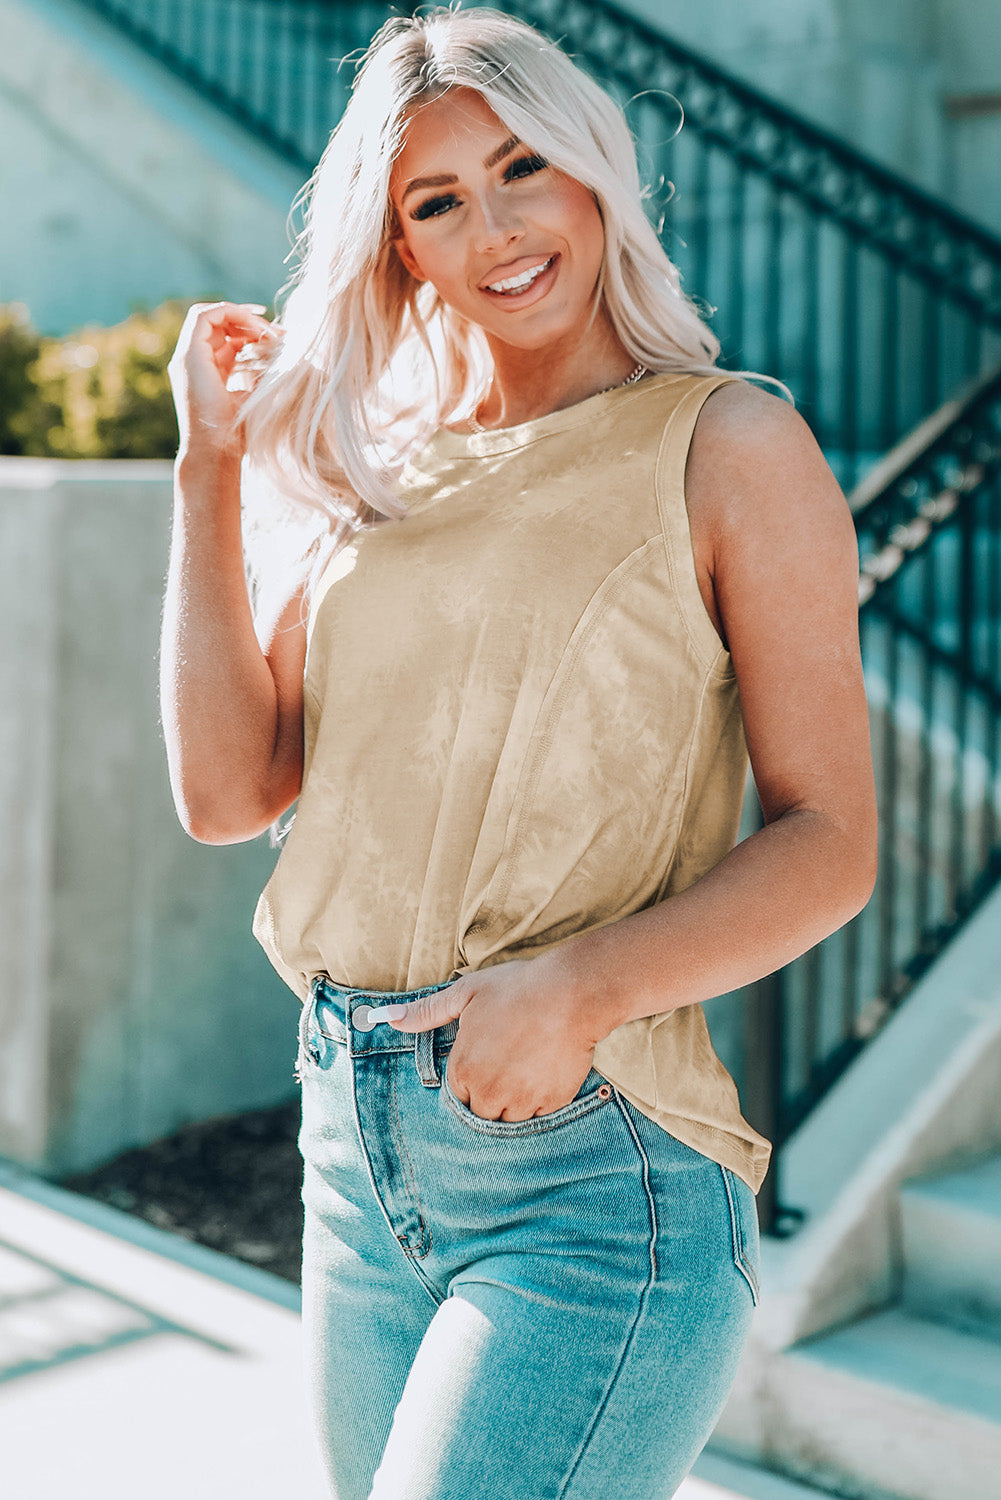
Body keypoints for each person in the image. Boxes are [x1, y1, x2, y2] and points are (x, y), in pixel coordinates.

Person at [160, 7, 877, 1497]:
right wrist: (208, 471)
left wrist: (578, 990)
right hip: (352, 1157)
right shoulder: (385, 467)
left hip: (589, 1167)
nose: (494, 228)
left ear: (596, 175)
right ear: (398, 245)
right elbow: (229, 793)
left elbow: (829, 840)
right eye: (435, 201)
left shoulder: (728, 444)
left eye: (522, 168)